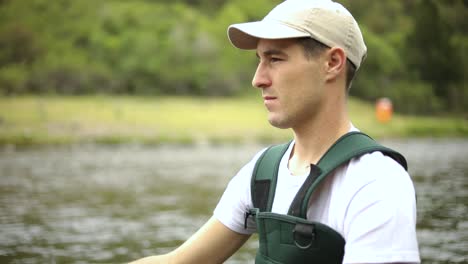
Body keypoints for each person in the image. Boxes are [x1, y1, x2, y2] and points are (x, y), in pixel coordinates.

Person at [130, 0, 420, 263]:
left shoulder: (375, 183)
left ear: (332, 63)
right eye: (259, 59)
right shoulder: (263, 172)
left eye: (275, 59)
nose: (258, 79)